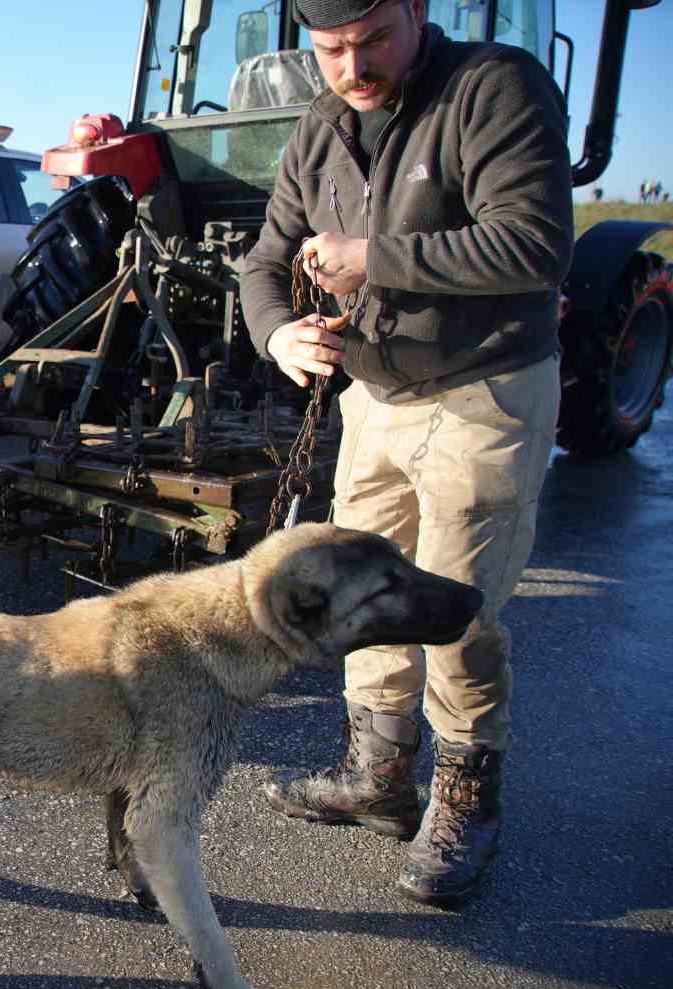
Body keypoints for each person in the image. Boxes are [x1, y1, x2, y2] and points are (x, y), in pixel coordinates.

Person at [241, 0, 572, 905]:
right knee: (359, 592)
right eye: (331, 49)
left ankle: (467, 798)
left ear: (417, 11)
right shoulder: (320, 125)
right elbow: (265, 261)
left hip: (485, 391)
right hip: (376, 396)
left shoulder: (492, 88)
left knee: (455, 600)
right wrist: (278, 336)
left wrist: (371, 258)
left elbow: (535, 243)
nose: (353, 66)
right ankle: (379, 777)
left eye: (373, 39)